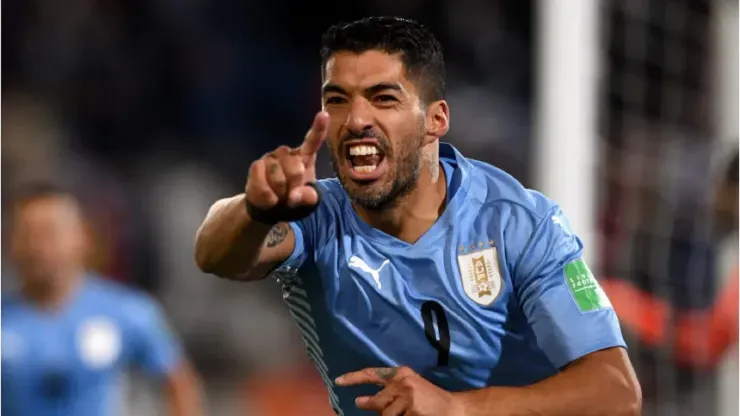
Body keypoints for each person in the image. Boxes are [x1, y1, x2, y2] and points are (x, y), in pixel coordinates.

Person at [195, 16, 641, 416]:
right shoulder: (317, 217)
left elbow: (617, 392)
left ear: (435, 120)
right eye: (338, 99)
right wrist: (255, 210)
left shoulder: (517, 224)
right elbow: (215, 254)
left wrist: (456, 409)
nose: (356, 120)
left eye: (383, 98)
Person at [2, 183, 203, 416]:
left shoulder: (127, 311)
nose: (37, 247)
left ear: (81, 238)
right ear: (10, 244)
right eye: (27, 234)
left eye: (49, 233)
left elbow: (179, 384)